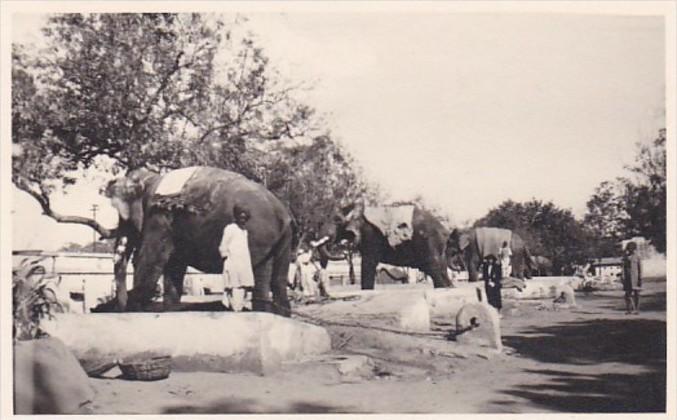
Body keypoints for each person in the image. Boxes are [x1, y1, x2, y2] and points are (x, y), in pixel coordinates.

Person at [219, 205, 255, 312]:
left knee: (243, 286)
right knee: (234, 286)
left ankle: (238, 309)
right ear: (236, 216)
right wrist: (226, 259)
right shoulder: (230, 228)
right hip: (233, 262)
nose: (243, 219)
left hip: (243, 262)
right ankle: (234, 309)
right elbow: (223, 245)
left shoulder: (244, 231)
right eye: (241, 217)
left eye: (245, 217)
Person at [622, 241, 642, 315]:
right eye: (629, 248)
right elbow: (623, 267)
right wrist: (623, 276)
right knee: (627, 294)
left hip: (635, 278)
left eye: (632, 248)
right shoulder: (625, 257)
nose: (631, 250)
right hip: (627, 278)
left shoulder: (637, 257)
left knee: (636, 294)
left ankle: (636, 309)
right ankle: (629, 309)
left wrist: (640, 277)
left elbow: (640, 268)